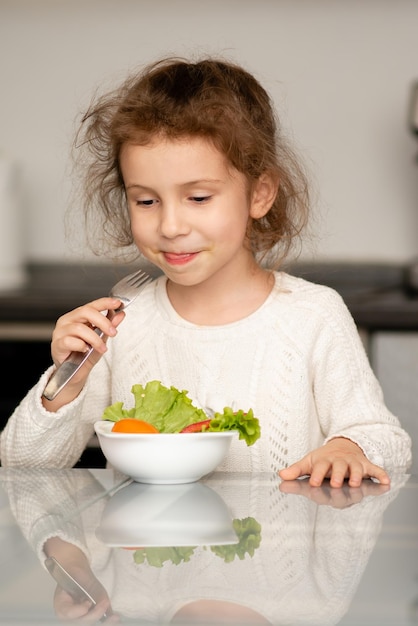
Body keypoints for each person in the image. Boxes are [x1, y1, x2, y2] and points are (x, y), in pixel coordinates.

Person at [0, 56, 412, 486]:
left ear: (260, 194)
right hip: (137, 553)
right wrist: (67, 382)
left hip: (279, 553)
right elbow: (19, 468)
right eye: (146, 201)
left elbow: (387, 440)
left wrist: (350, 448)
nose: (171, 226)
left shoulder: (314, 316)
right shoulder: (121, 323)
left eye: (198, 198)